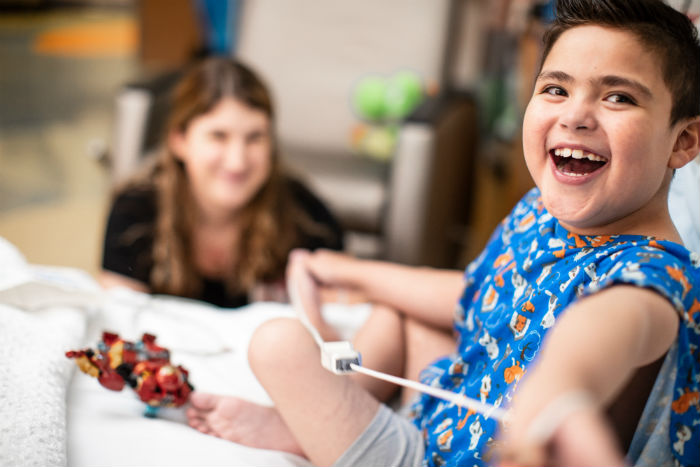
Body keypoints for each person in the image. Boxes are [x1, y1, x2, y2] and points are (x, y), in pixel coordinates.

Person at [185, 1, 700, 466]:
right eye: (556, 89)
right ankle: (317, 421)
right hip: (442, 417)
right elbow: (478, 293)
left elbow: (608, 328)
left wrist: (559, 392)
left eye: (618, 98)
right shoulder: (546, 210)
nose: (575, 115)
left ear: (683, 141)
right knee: (397, 314)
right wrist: (351, 271)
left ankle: (313, 427)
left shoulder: (656, 279)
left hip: (430, 458)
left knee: (277, 344)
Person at [100, 57, 344, 308]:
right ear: (179, 140)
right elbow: (118, 319)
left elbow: (345, 316)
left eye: (255, 137)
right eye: (218, 136)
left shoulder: (306, 217)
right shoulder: (135, 211)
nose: (237, 162)